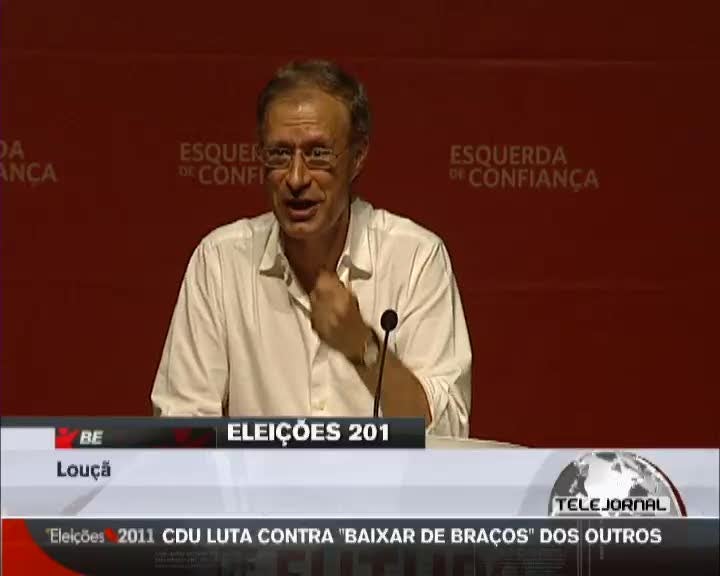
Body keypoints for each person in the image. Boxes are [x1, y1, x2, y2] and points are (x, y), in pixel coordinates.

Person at [151, 60, 472, 437]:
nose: (296, 178)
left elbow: (447, 434)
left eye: (318, 153)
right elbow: (181, 426)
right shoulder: (220, 262)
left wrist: (364, 350)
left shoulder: (415, 257)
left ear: (357, 156)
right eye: (279, 154)